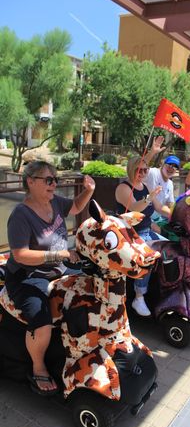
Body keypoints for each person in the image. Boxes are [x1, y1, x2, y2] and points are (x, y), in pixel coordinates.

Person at [5, 161, 95, 396]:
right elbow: (20, 254)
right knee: (42, 322)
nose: (54, 184)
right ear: (30, 182)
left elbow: (75, 207)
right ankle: (38, 366)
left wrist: (89, 190)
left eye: (55, 179)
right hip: (28, 275)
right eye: (48, 180)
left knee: (91, 289)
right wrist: (58, 254)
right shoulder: (20, 215)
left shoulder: (54, 202)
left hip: (59, 268)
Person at [115, 156, 168, 317]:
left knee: (169, 250)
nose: (143, 173)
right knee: (148, 256)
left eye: (146, 170)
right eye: (140, 170)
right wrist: (149, 198)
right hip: (130, 234)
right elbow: (134, 208)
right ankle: (139, 296)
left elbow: (159, 207)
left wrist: (180, 213)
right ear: (132, 169)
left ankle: (162, 288)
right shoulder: (123, 188)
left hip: (146, 231)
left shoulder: (144, 186)